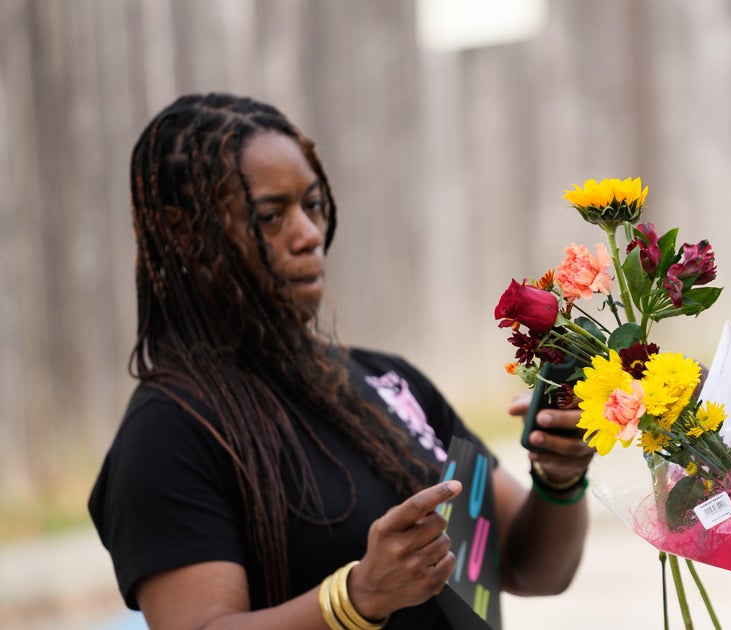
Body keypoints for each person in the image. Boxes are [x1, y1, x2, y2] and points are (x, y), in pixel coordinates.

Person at [88, 93, 595, 629]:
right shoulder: (169, 432)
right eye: (269, 216)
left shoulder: (389, 382)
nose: (307, 235)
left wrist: (559, 480)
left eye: (312, 205)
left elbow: (529, 569)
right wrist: (355, 598)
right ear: (184, 232)